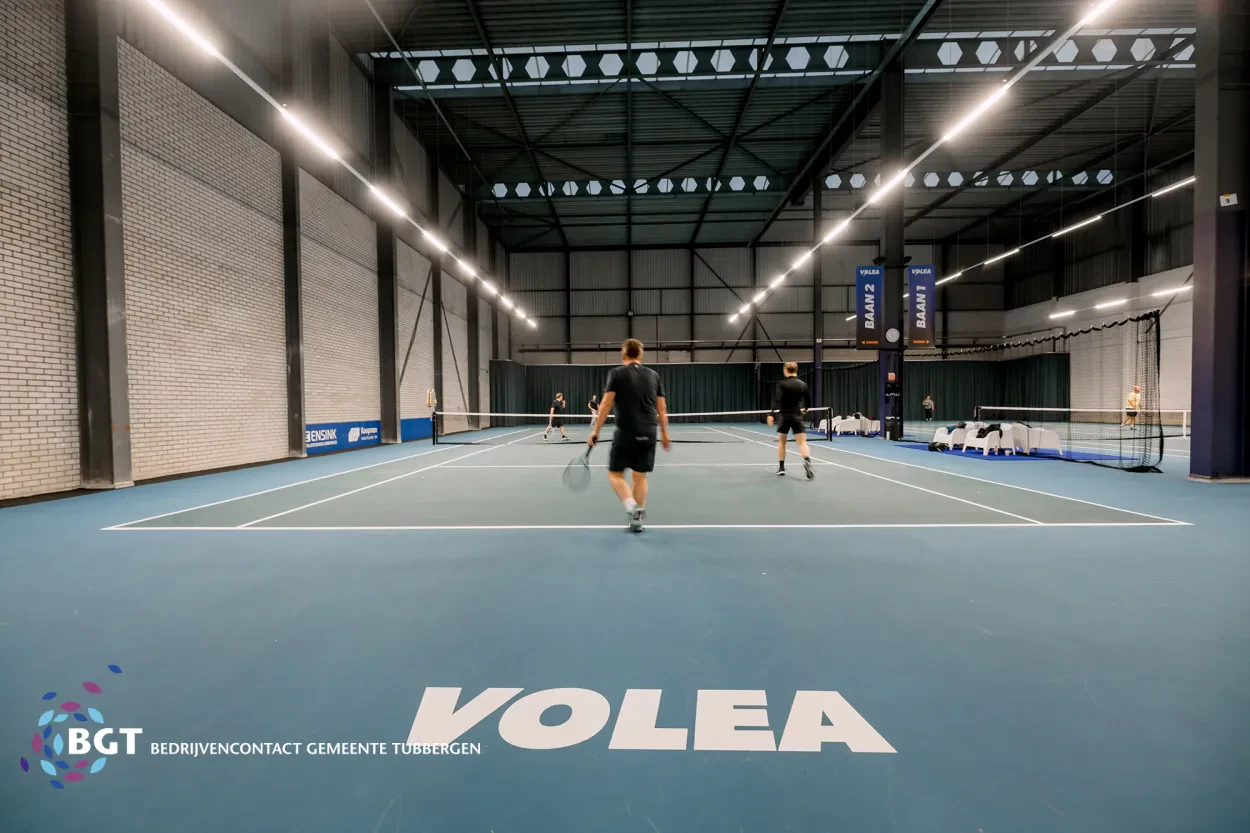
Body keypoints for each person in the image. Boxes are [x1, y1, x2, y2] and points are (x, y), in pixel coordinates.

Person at [588, 339, 671, 532]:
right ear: (640, 355)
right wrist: (665, 434)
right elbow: (662, 408)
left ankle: (632, 506)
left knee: (615, 474)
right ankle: (637, 520)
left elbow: (606, 404)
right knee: (640, 477)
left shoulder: (616, 374)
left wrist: (595, 431)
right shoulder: (654, 375)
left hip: (626, 431)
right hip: (649, 432)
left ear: (623, 354)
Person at [767, 362, 814, 479]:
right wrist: (805, 409)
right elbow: (808, 401)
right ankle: (807, 461)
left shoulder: (782, 384)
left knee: (782, 442)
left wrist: (771, 414)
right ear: (796, 370)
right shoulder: (803, 385)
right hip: (797, 415)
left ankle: (781, 468)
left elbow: (777, 400)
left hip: (784, 416)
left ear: (786, 370)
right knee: (802, 443)